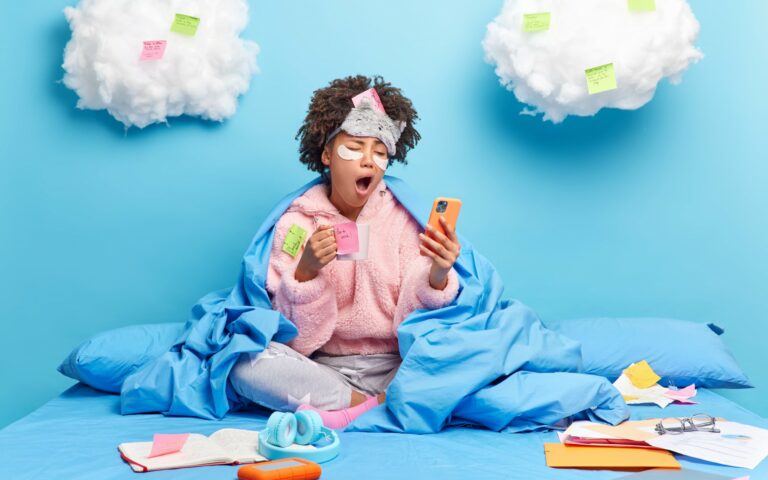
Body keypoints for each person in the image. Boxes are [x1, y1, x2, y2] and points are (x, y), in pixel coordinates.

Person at [229, 75, 461, 429]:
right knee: (243, 365)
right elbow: (295, 340)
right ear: (326, 154)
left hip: (398, 368)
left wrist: (438, 274)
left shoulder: (401, 217)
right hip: (325, 370)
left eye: (380, 152)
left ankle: (366, 406)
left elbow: (420, 324)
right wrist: (305, 272)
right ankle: (368, 406)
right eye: (354, 147)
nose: (369, 161)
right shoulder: (296, 224)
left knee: (469, 359)